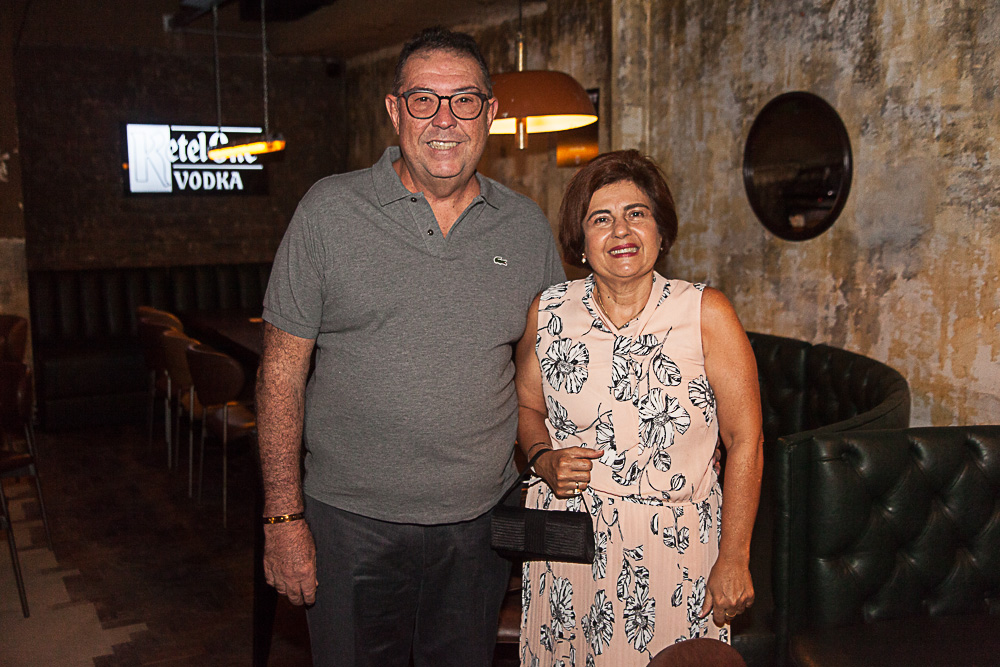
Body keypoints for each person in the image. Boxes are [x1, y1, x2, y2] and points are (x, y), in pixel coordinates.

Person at [255, 27, 565, 667]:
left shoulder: (526, 228)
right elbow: (280, 374)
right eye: (424, 99)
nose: (445, 120)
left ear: (490, 113)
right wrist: (283, 519)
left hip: (479, 529)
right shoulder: (328, 211)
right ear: (395, 111)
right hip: (350, 526)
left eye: (464, 100)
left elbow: (547, 370)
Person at [514, 150, 763, 666]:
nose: (621, 231)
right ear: (581, 242)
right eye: (600, 219)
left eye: (636, 213)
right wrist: (542, 458)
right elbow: (525, 404)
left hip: (676, 552)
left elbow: (746, 441)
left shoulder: (705, 313)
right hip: (568, 550)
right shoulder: (549, 311)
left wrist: (735, 556)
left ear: (661, 230)